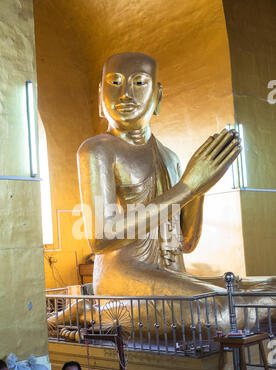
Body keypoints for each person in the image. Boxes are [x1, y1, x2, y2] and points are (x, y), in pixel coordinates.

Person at [77, 52, 276, 331]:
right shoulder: (98, 149)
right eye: (114, 82)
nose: (125, 94)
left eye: (138, 83)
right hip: (124, 275)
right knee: (222, 313)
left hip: (169, 274)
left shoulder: (170, 157)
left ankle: (98, 313)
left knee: (271, 289)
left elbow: (185, 241)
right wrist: (187, 187)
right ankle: (95, 312)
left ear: (157, 95)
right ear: (101, 94)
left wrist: (202, 186)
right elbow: (101, 237)